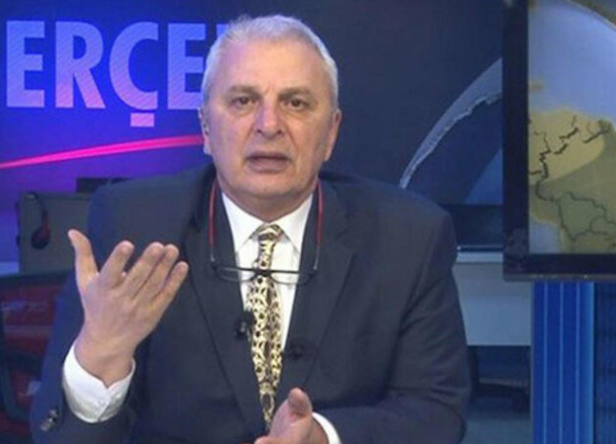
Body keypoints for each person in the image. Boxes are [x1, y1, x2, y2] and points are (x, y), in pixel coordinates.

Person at [30, 14, 470, 444]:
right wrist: (100, 359)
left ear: (331, 132)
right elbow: (61, 437)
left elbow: (435, 413)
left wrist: (323, 437)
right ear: (206, 127)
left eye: (296, 103)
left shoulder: (409, 238)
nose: (269, 125)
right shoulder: (135, 228)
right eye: (243, 101)